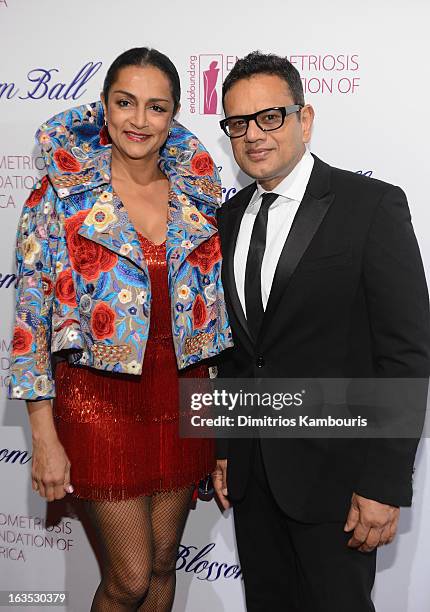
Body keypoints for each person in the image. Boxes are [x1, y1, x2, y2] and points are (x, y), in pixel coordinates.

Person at [9, 47, 232, 611]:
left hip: (184, 400)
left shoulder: (200, 200)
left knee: (161, 569)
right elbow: (31, 320)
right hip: (96, 404)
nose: (139, 120)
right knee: (129, 578)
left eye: (156, 108)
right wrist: (43, 434)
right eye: (125, 102)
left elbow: (219, 315)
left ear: (173, 115)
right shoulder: (60, 196)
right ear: (103, 107)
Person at [212, 51, 430, 611]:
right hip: (256, 479)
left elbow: (405, 354)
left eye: (270, 117)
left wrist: (384, 483)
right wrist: (225, 447)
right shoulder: (229, 216)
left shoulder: (371, 205)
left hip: (340, 482)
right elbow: (243, 355)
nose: (253, 135)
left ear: (304, 120)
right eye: (238, 123)